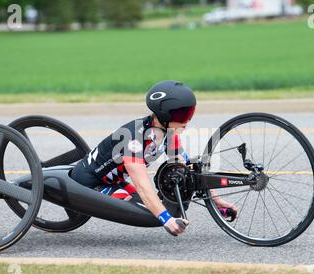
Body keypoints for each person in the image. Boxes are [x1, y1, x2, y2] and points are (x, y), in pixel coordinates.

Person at [71, 80, 238, 236]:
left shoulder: (168, 132)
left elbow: (189, 171)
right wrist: (167, 220)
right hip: (90, 184)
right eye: (182, 116)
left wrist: (216, 201)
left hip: (114, 181)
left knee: (162, 202)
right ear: (165, 115)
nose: (186, 121)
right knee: (149, 212)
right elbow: (142, 186)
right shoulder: (134, 139)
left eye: (190, 114)